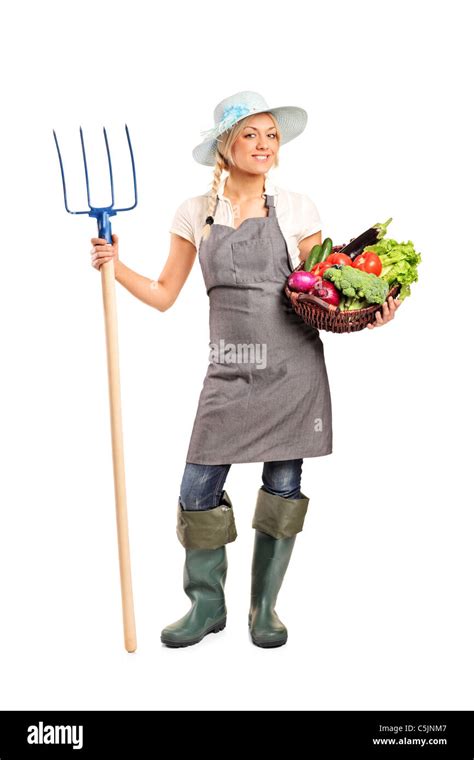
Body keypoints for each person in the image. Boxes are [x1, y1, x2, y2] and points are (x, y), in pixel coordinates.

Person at [90, 91, 401, 649]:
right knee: (196, 488)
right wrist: (116, 268)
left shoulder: (298, 208)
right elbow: (164, 294)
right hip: (229, 372)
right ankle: (206, 607)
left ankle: (264, 610)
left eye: (272, 136)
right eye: (252, 135)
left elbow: (321, 290)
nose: (265, 145)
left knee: (283, 486)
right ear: (225, 146)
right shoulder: (195, 212)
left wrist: (366, 313)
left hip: (292, 371)